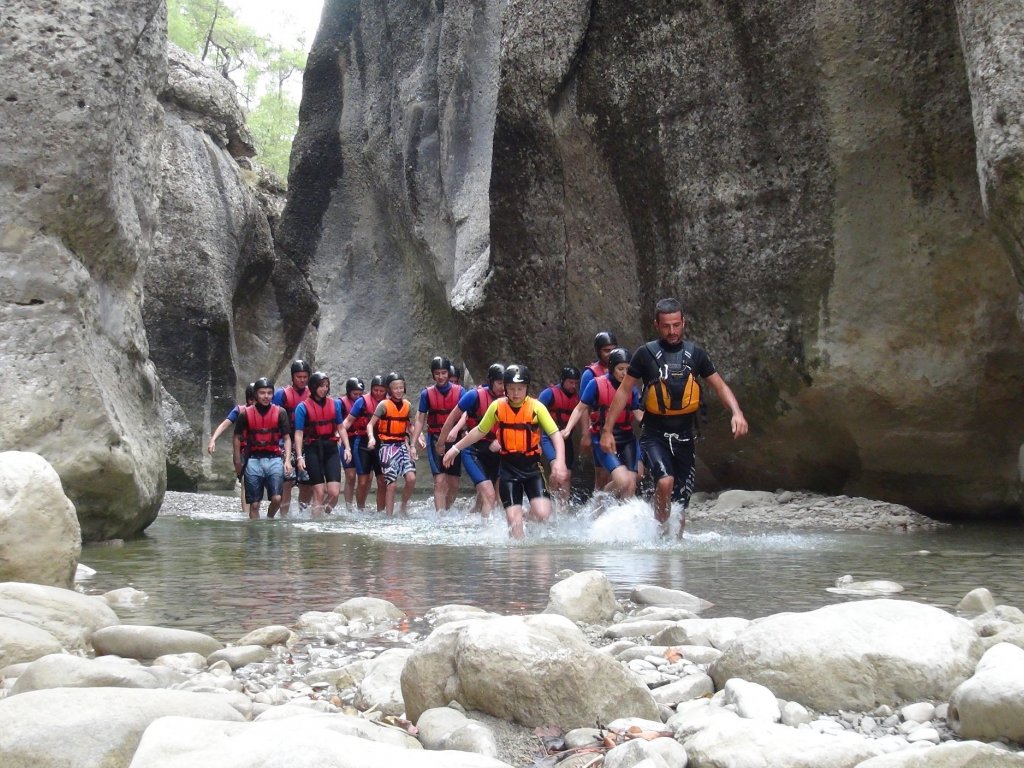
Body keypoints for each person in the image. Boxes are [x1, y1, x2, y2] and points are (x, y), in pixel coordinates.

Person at [600, 298, 748, 535]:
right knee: (665, 481)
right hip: (654, 434)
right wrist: (607, 430)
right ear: (657, 324)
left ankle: (673, 548)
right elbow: (623, 392)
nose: (672, 331)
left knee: (680, 504)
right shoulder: (645, 354)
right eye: (667, 326)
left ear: (683, 323)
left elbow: (720, 386)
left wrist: (736, 412)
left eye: (677, 325)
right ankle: (658, 535)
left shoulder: (695, 354)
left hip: (685, 436)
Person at [443, 365, 568, 539]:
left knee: (543, 514)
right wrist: (456, 448)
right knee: (513, 522)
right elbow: (479, 431)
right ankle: (516, 562)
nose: (516, 393)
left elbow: (555, 435)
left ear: (527, 388)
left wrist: (559, 461)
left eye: (520, 389)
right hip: (508, 470)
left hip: (532, 468)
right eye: (511, 389)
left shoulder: (537, 407)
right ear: (506, 389)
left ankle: (525, 517)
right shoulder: (497, 407)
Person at [562, 348, 643, 499]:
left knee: (631, 482)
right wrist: (568, 429)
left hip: (626, 437)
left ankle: (622, 519)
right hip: (603, 436)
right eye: (620, 369)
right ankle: (599, 500)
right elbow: (580, 408)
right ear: (612, 368)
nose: (624, 373)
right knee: (622, 480)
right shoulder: (596, 384)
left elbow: (638, 413)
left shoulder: (631, 388)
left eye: (628, 369)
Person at [437, 363, 505, 517]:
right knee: (489, 495)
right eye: (500, 383)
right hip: (474, 450)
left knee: (494, 498)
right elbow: (450, 420)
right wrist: (441, 443)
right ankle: (486, 535)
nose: (503, 387)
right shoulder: (474, 396)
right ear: (491, 381)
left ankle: (475, 522)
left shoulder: (509, 399)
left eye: (505, 383)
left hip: (497, 451)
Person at [232, 377, 292, 519]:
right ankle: (255, 535)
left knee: (277, 498)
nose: (266, 396)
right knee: (254, 504)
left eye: (269, 393)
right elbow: (237, 437)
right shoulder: (245, 414)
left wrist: (288, 460)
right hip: (253, 460)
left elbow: (287, 438)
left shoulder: (280, 412)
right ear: (256, 395)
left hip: (274, 459)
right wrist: (237, 461)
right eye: (262, 393)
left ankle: (269, 519)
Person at [410, 356, 464, 513]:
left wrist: (455, 430)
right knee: (440, 481)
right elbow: (420, 419)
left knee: (453, 483)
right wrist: (413, 444)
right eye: (437, 373)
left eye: (444, 373)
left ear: (448, 373)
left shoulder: (460, 391)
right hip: (435, 439)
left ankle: (446, 510)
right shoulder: (427, 394)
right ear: (433, 375)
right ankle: (440, 516)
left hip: (454, 440)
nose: (441, 376)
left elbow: (466, 414)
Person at [366, 372, 417, 516]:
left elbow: (410, 425)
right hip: (387, 447)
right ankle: (389, 516)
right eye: (395, 388)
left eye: (401, 387)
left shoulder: (407, 405)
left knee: (411, 479)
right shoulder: (383, 405)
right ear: (389, 390)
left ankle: (403, 507)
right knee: (392, 484)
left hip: (402, 445)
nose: (399, 391)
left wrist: (418, 438)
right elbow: (370, 425)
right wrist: (371, 438)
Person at [293, 371, 343, 516]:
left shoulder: (335, 404)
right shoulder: (302, 407)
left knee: (334, 492)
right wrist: (299, 457)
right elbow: (299, 433)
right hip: (312, 449)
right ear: (314, 387)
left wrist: (347, 448)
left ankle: (323, 515)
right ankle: (316, 524)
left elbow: (340, 427)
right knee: (319, 492)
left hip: (330, 448)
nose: (324, 389)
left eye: (326, 386)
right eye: (321, 386)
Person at [340, 374, 387, 511]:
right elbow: (348, 421)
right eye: (376, 390)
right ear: (371, 389)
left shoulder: (389, 402)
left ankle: (381, 512)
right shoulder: (361, 401)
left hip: (382, 444)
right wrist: (340, 435)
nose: (378, 393)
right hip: (362, 444)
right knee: (363, 481)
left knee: (382, 481)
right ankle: (360, 509)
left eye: (381, 390)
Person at [208, 381, 256, 514]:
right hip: (243, 450)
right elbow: (224, 425)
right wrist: (213, 440)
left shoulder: (269, 411)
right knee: (245, 482)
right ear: (249, 399)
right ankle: (246, 514)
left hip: (260, 450)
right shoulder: (240, 410)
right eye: (252, 400)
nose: (255, 403)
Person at [273, 359, 312, 516]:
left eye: (304, 377)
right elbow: (273, 417)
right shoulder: (281, 395)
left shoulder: (312, 393)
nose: (302, 380)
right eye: (298, 377)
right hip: (285, 441)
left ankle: (303, 513)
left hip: (305, 442)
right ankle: (283, 515)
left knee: (306, 481)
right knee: (287, 481)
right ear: (292, 377)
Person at [580, 331, 618, 492]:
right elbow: (583, 407)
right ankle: (596, 511)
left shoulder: (621, 369)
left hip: (619, 428)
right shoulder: (590, 374)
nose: (610, 354)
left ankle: (611, 508)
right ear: (598, 351)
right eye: (606, 350)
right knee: (602, 474)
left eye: (613, 349)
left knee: (620, 474)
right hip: (599, 429)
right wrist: (586, 434)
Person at [538, 366, 580, 502]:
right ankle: (550, 501)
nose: (573, 386)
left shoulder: (577, 399)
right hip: (548, 439)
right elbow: (534, 414)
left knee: (567, 474)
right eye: (570, 382)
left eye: (575, 383)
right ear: (562, 381)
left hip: (566, 440)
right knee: (557, 471)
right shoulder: (549, 394)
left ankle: (563, 507)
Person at [338, 377, 365, 509]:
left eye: (360, 394)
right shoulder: (341, 404)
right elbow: (340, 423)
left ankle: (361, 506)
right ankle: (348, 506)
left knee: (365, 477)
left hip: (361, 442)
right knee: (350, 475)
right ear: (348, 392)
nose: (358, 397)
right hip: (347, 440)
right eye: (355, 394)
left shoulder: (365, 403)